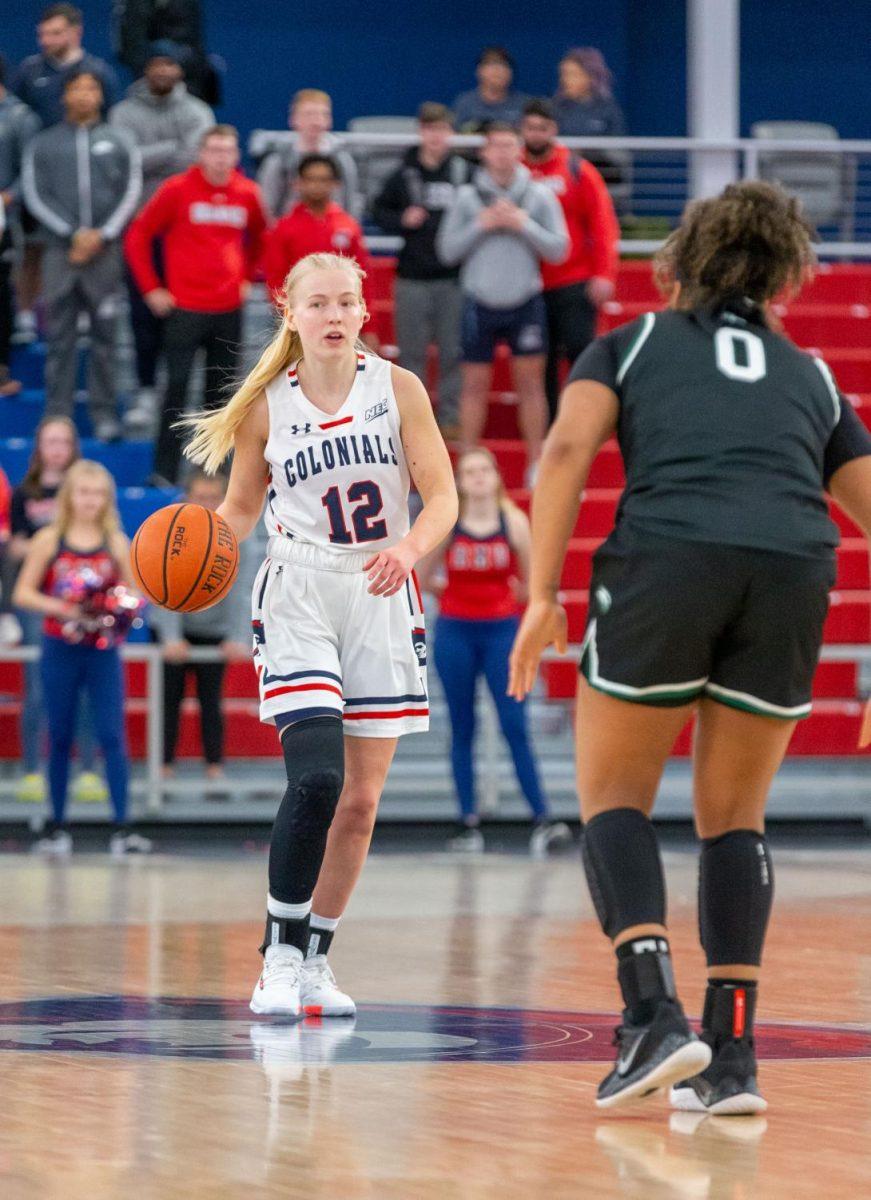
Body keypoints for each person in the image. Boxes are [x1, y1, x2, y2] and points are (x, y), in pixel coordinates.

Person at [508, 180, 871, 1113]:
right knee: (734, 818)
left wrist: (542, 594)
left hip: (668, 559)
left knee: (613, 800)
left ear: (675, 268)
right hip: (792, 570)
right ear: (785, 276)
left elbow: (560, 454)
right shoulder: (812, 373)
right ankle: (731, 1058)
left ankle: (652, 1019)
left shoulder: (627, 344)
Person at [179, 251, 457, 1018]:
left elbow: (442, 498)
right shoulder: (268, 404)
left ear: (364, 312)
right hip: (298, 589)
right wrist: (194, 545)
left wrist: (406, 549)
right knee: (317, 780)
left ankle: (314, 961)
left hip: (380, 592)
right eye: (318, 304)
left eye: (345, 303)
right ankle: (276, 950)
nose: (333, 316)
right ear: (288, 312)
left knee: (361, 803)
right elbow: (238, 511)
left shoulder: (398, 389)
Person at [419, 447, 570, 855]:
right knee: (462, 727)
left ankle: (543, 818)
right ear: (461, 480)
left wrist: (515, 598)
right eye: (470, 471)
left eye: (485, 469)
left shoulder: (513, 522)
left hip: (502, 632)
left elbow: (537, 579)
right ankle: (467, 822)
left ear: (497, 476)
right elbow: (420, 569)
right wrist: (444, 590)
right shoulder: (450, 523)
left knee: (515, 723)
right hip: (455, 632)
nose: (479, 477)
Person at [13, 459, 151, 856]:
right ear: (69, 496)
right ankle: (56, 827)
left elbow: (135, 592)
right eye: (83, 492)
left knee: (111, 734)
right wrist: (67, 608)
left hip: (103, 651)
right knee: (59, 735)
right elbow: (23, 593)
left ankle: (123, 828)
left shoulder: (116, 542)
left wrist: (116, 606)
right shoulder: (48, 540)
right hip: (59, 648)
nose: (91, 501)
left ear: (107, 498)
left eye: (98, 493)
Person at [124, 124, 268, 485]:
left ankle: (213, 475)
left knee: (221, 398)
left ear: (236, 157)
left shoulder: (247, 193)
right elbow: (138, 235)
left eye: (227, 151)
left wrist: (248, 277)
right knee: (175, 388)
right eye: (214, 150)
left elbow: (263, 237)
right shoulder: (177, 189)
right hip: (184, 308)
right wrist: (151, 288)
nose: (220, 158)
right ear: (201, 154)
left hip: (227, 310)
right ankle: (164, 472)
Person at [437, 123, 568, 478]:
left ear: (519, 150)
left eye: (510, 145)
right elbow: (446, 251)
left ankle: (536, 463)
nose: (503, 153)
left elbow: (560, 249)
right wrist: (482, 224)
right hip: (479, 302)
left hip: (525, 300)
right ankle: (467, 462)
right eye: (495, 146)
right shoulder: (467, 198)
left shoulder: (539, 196)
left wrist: (523, 224)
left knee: (531, 387)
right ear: (484, 152)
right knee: (473, 388)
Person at [21, 70, 142, 442]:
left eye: (92, 88)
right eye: (77, 88)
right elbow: (35, 193)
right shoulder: (43, 143)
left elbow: (131, 189)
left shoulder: (120, 140)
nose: (85, 94)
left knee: (105, 336)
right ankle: (57, 415)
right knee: (59, 337)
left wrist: (102, 235)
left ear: (101, 95)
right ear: (65, 96)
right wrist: (71, 234)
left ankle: (104, 414)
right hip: (61, 253)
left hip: (104, 253)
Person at [110, 42, 214, 433]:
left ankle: (180, 392)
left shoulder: (198, 112)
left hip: (185, 233)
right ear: (145, 70)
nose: (162, 70)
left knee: (185, 317)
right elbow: (122, 160)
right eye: (155, 64)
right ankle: (146, 389)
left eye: (170, 63)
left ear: (181, 70)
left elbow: (195, 160)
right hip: (140, 228)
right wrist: (171, 150)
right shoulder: (122, 112)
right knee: (143, 314)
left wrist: (146, 155)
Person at [8, 418, 106, 806]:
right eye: (50, 441)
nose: (57, 448)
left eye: (64, 441)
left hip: (84, 605)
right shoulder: (25, 492)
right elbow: (14, 548)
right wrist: (49, 549)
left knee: (85, 691)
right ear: (39, 446)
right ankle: (33, 769)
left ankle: (86, 771)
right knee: (36, 689)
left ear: (72, 447)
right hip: (43, 598)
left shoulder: (87, 490)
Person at [148, 470, 255, 784]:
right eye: (201, 498)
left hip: (214, 629)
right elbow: (160, 585)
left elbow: (242, 589)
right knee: (169, 699)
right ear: (187, 499)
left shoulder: (238, 537)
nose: (207, 505)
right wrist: (171, 637)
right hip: (175, 624)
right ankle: (163, 764)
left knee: (211, 700)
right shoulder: (169, 533)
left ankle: (214, 766)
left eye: (214, 499)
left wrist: (238, 637)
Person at [372, 102, 470, 439]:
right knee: (411, 354)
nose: (436, 137)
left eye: (442, 129)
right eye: (430, 129)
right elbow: (378, 210)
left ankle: (451, 417)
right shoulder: (404, 173)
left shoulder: (462, 172)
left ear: (451, 134)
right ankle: (413, 417)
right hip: (411, 276)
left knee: (451, 351)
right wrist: (401, 220)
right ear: (420, 132)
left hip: (453, 278)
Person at [520, 99, 619, 423]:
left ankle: (587, 422)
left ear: (554, 130)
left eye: (542, 128)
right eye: (530, 127)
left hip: (574, 281)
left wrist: (604, 274)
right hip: (529, 285)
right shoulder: (513, 172)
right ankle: (550, 429)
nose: (536, 134)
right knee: (540, 361)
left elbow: (603, 223)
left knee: (582, 354)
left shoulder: (578, 170)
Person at [261, 153, 377, 351]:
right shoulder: (284, 228)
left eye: (323, 180)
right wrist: (294, 321)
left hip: (341, 325)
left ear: (335, 184)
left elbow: (363, 280)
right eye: (311, 179)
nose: (317, 185)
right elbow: (275, 280)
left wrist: (369, 327)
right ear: (297, 184)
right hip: (296, 327)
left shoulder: (348, 227)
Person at [0, 58, 40, 397]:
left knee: (0, 290)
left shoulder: (20, 117)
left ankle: (1, 370)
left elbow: (30, 171)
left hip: (3, 218)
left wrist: (6, 198)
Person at [256, 89, 360, 221]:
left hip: (331, 236)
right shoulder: (279, 162)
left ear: (329, 120)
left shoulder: (342, 161)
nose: (316, 122)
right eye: (308, 114)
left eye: (322, 115)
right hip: (290, 236)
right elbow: (266, 209)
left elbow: (350, 205)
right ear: (293, 120)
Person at [12, 3, 119, 128]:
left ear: (76, 32)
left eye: (55, 33)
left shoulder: (99, 71)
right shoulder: (29, 70)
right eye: (42, 34)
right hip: (41, 144)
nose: (46, 40)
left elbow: (110, 116)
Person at [552, 47, 625, 139]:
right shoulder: (554, 108)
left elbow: (618, 148)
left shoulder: (608, 109)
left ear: (591, 77)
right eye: (563, 74)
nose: (564, 80)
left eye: (573, 74)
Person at [452, 47, 529, 134]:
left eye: (504, 65)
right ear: (479, 71)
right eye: (491, 65)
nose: (498, 70)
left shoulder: (524, 104)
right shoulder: (465, 103)